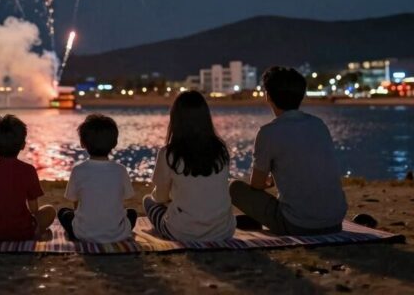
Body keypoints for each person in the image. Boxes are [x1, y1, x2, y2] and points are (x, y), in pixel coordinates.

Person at [230, 66, 348, 235]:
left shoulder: (268, 132)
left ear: (268, 96)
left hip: (298, 225)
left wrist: (269, 181)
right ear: (301, 95)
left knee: (234, 187)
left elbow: (256, 184)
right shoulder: (318, 125)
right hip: (335, 222)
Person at [143, 91, 235, 242]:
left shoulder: (168, 153)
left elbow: (160, 197)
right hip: (223, 231)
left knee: (148, 201)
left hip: (183, 232)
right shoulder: (221, 150)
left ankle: (165, 228)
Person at [0, 114, 55, 240]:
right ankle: (38, 232)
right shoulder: (28, 170)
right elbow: (34, 209)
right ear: (23, 145)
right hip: (21, 232)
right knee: (50, 211)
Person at [58, 114, 137, 243]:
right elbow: (125, 198)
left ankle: (75, 235)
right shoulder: (121, 170)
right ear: (115, 143)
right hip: (117, 235)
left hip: (83, 233)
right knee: (132, 213)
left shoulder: (78, 170)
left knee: (63, 212)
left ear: (83, 143)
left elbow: (75, 202)